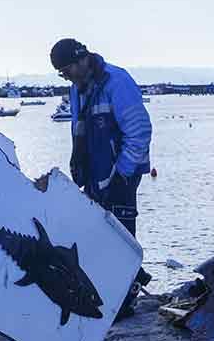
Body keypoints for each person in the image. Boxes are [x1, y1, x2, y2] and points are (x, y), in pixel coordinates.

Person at [50, 38, 153, 319]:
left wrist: (122, 175)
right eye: (62, 73)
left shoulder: (117, 82)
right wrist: (76, 160)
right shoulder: (77, 89)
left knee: (121, 235)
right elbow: (79, 128)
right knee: (98, 235)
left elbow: (140, 131)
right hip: (95, 173)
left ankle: (126, 297)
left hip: (123, 172)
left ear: (81, 59)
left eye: (67, 70)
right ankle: (122, 286)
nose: (67, 76)